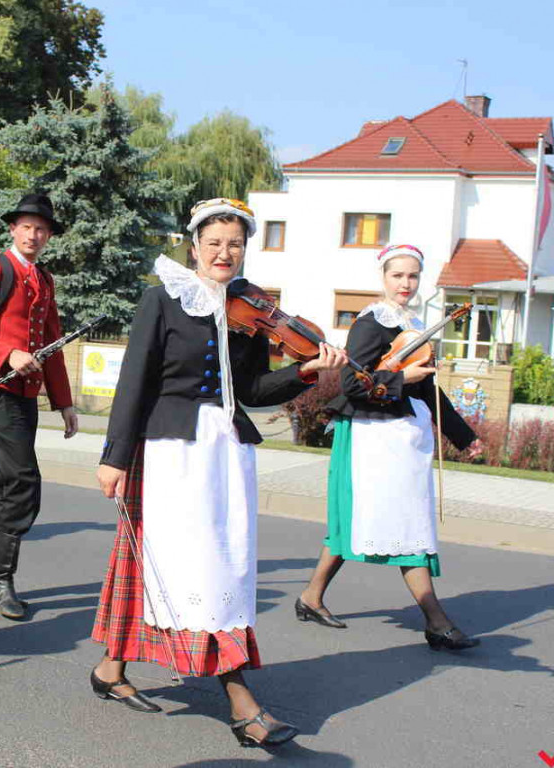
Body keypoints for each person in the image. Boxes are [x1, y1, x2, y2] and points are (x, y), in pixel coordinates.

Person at [91, 198, 347, 747]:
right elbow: (133, 382)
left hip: (225, 452)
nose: (225, 252)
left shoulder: (250, 312)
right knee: (190, 569)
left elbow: (252, 392)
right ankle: (241, 702)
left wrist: (304, 372)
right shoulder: (162, 301)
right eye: (215, 243)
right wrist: (114, 456)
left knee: (210, 568)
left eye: (235, 244)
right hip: (169, 451)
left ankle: (110, 670)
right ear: (195, 247)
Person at [295, 243, 482, 651]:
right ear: (383, 277)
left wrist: (464, 436)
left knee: (358, 524)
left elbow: (430, 389)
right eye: (397, 275)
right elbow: (350, 385)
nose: (406, 283)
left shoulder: (413, 324)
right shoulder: (371, 322)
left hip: (403, 438)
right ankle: (436, 621)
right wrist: (402, 378)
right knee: (404, 525)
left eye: (413, 276)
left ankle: (311, 597)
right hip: (371, 436)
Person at [0, 193, 77, 621]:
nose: (34, 234)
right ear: (13, 229)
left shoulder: (44, 280)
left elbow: (53, 346)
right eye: (26, 226)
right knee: (23, 478)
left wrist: (63, 402)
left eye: (41, 229)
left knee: (3, 477)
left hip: (26, 394)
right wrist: (5, 353)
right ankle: (0, 580)